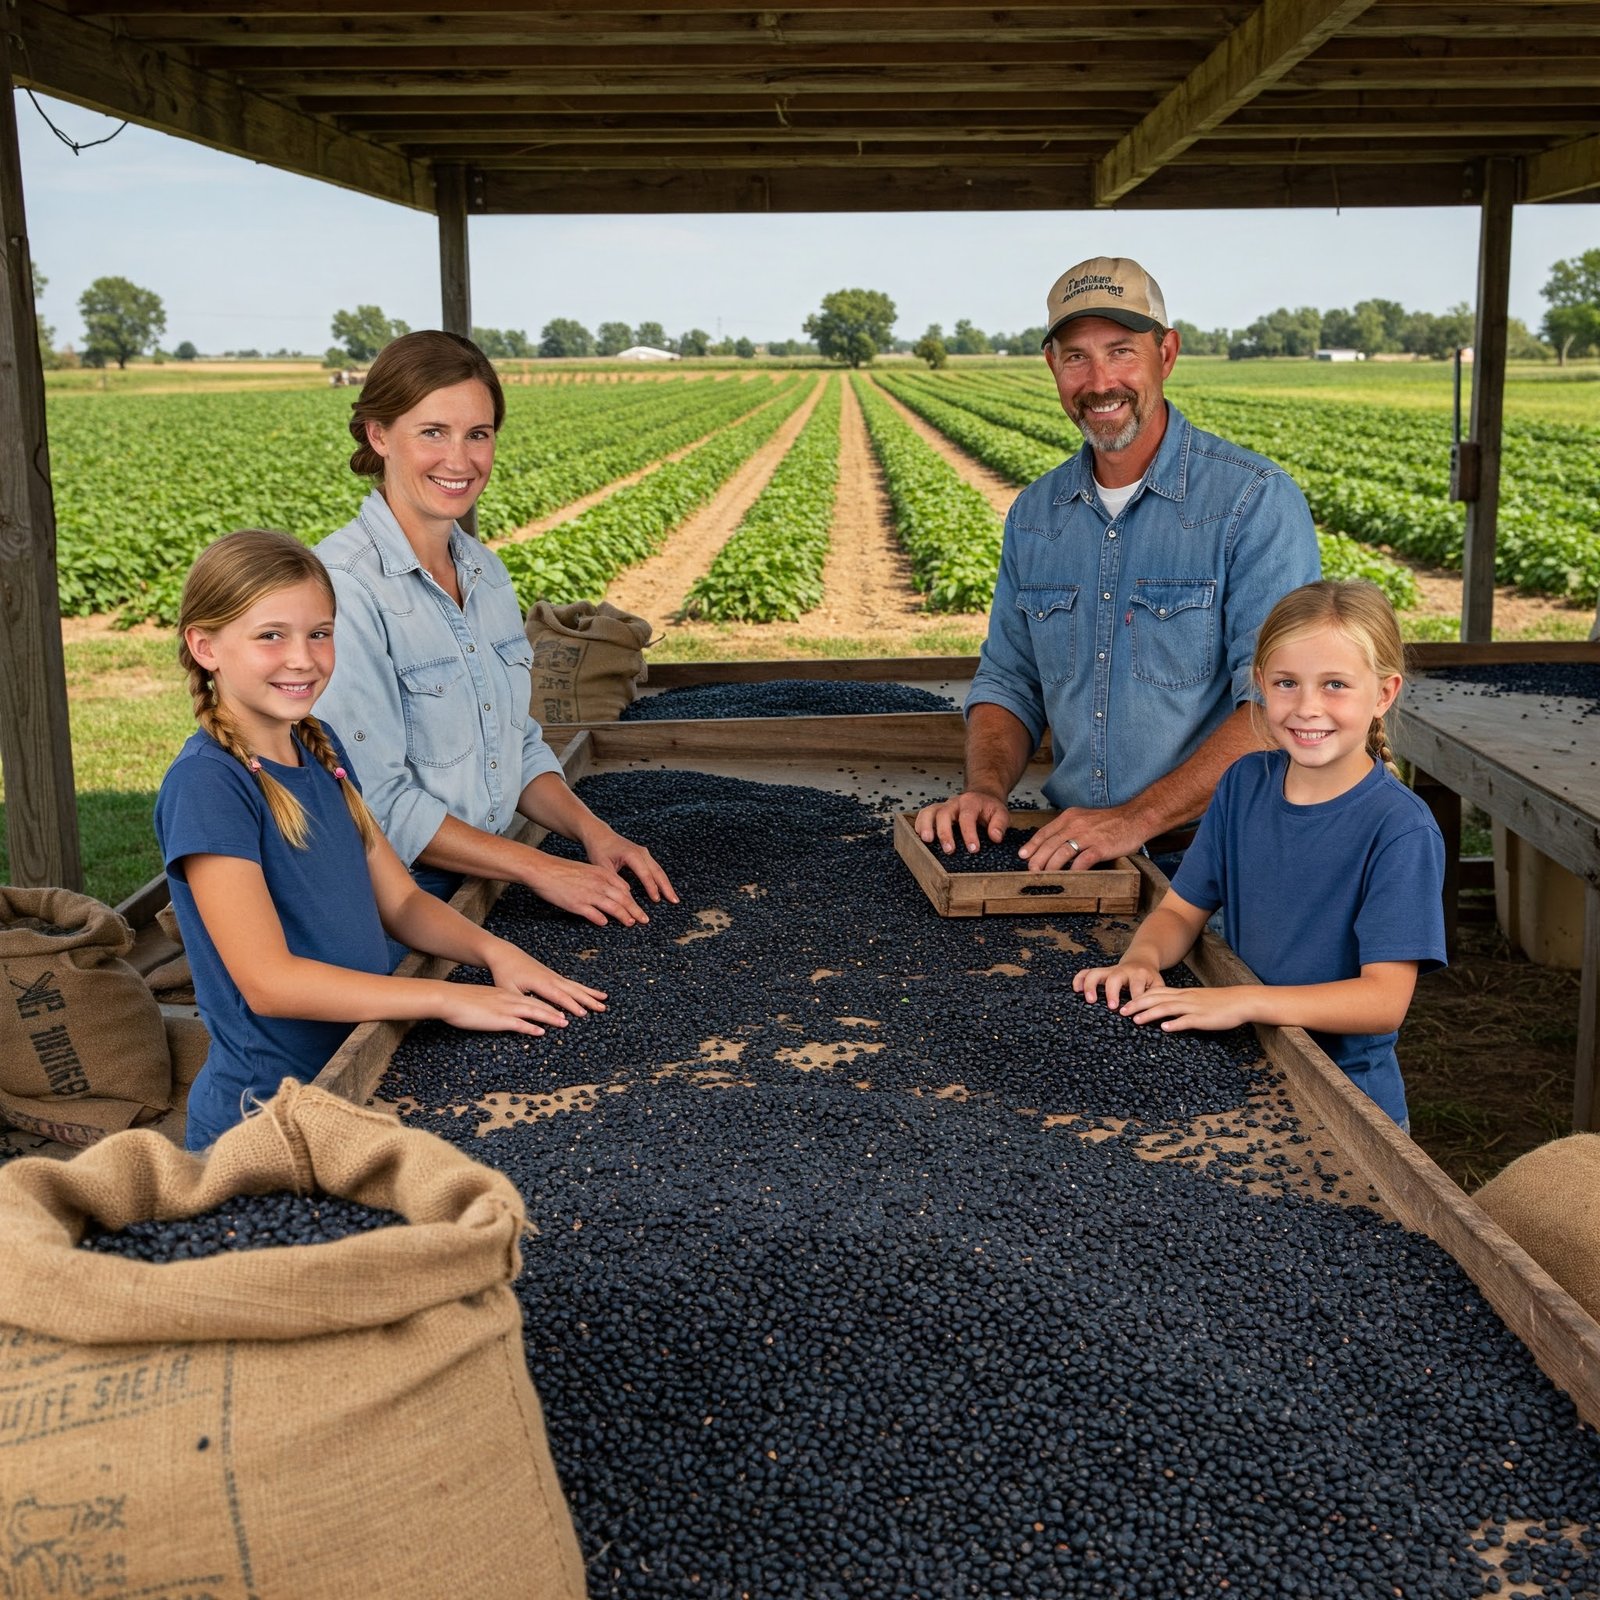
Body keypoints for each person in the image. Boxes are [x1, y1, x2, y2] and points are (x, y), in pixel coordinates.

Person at [156, 528, 608, 1150]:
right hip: (266, 1114)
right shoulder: (209, 786)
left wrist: (495, 954)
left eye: (320, 633)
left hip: (361, 1069)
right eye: (271, 636)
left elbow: (400, 901)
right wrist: (441, 1001)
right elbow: (270, 980)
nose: (303, 658)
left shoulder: (320, 748)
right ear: (205, 646)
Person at [916, 256, 1320, 873]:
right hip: (1083, 856)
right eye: (1076, 356)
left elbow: (1281, 706)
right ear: (1053, 365)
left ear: (1168, 352)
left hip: (1222, 861)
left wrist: (1134, 821)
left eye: (1121, 350)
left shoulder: (1251, 502)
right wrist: (986, 791)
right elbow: (1009, 681)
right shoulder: (1036, 515)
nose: (1100, 381)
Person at [314, 329, 677, 927]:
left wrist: (592, 833)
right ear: (379, 435)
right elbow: (373, 804)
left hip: (488, 873)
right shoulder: (342, 588)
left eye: (477, 435)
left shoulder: (484, 570)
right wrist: (539, 868)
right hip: (394, 899)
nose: (460, 460)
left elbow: (516, 744)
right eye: (433, 432)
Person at [1072, 580, 1447, 1128]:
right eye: (1287, 683)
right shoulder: (1244, 783)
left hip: (1350, 1105)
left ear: (1384, 694)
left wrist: (1243, 1001)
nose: (1307, 707)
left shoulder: (1399, 829)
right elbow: (1179, 911)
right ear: (1260, 686)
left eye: (1336, 684)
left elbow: (1382, 1000)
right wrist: (1142, 959)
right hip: (1248, 1073)